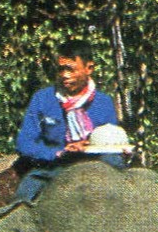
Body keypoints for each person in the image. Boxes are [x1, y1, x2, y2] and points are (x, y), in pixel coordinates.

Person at [14, 39, 121, 201]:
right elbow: (24, 142)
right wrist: (58, 153)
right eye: (61, 69)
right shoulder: (43, 99)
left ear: (89, 68)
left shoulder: (104, 103)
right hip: (55, 168)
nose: (64, 75)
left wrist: (89, 146)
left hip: (96, 165)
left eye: (70, 69)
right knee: (25, 194)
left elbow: (111, 141)